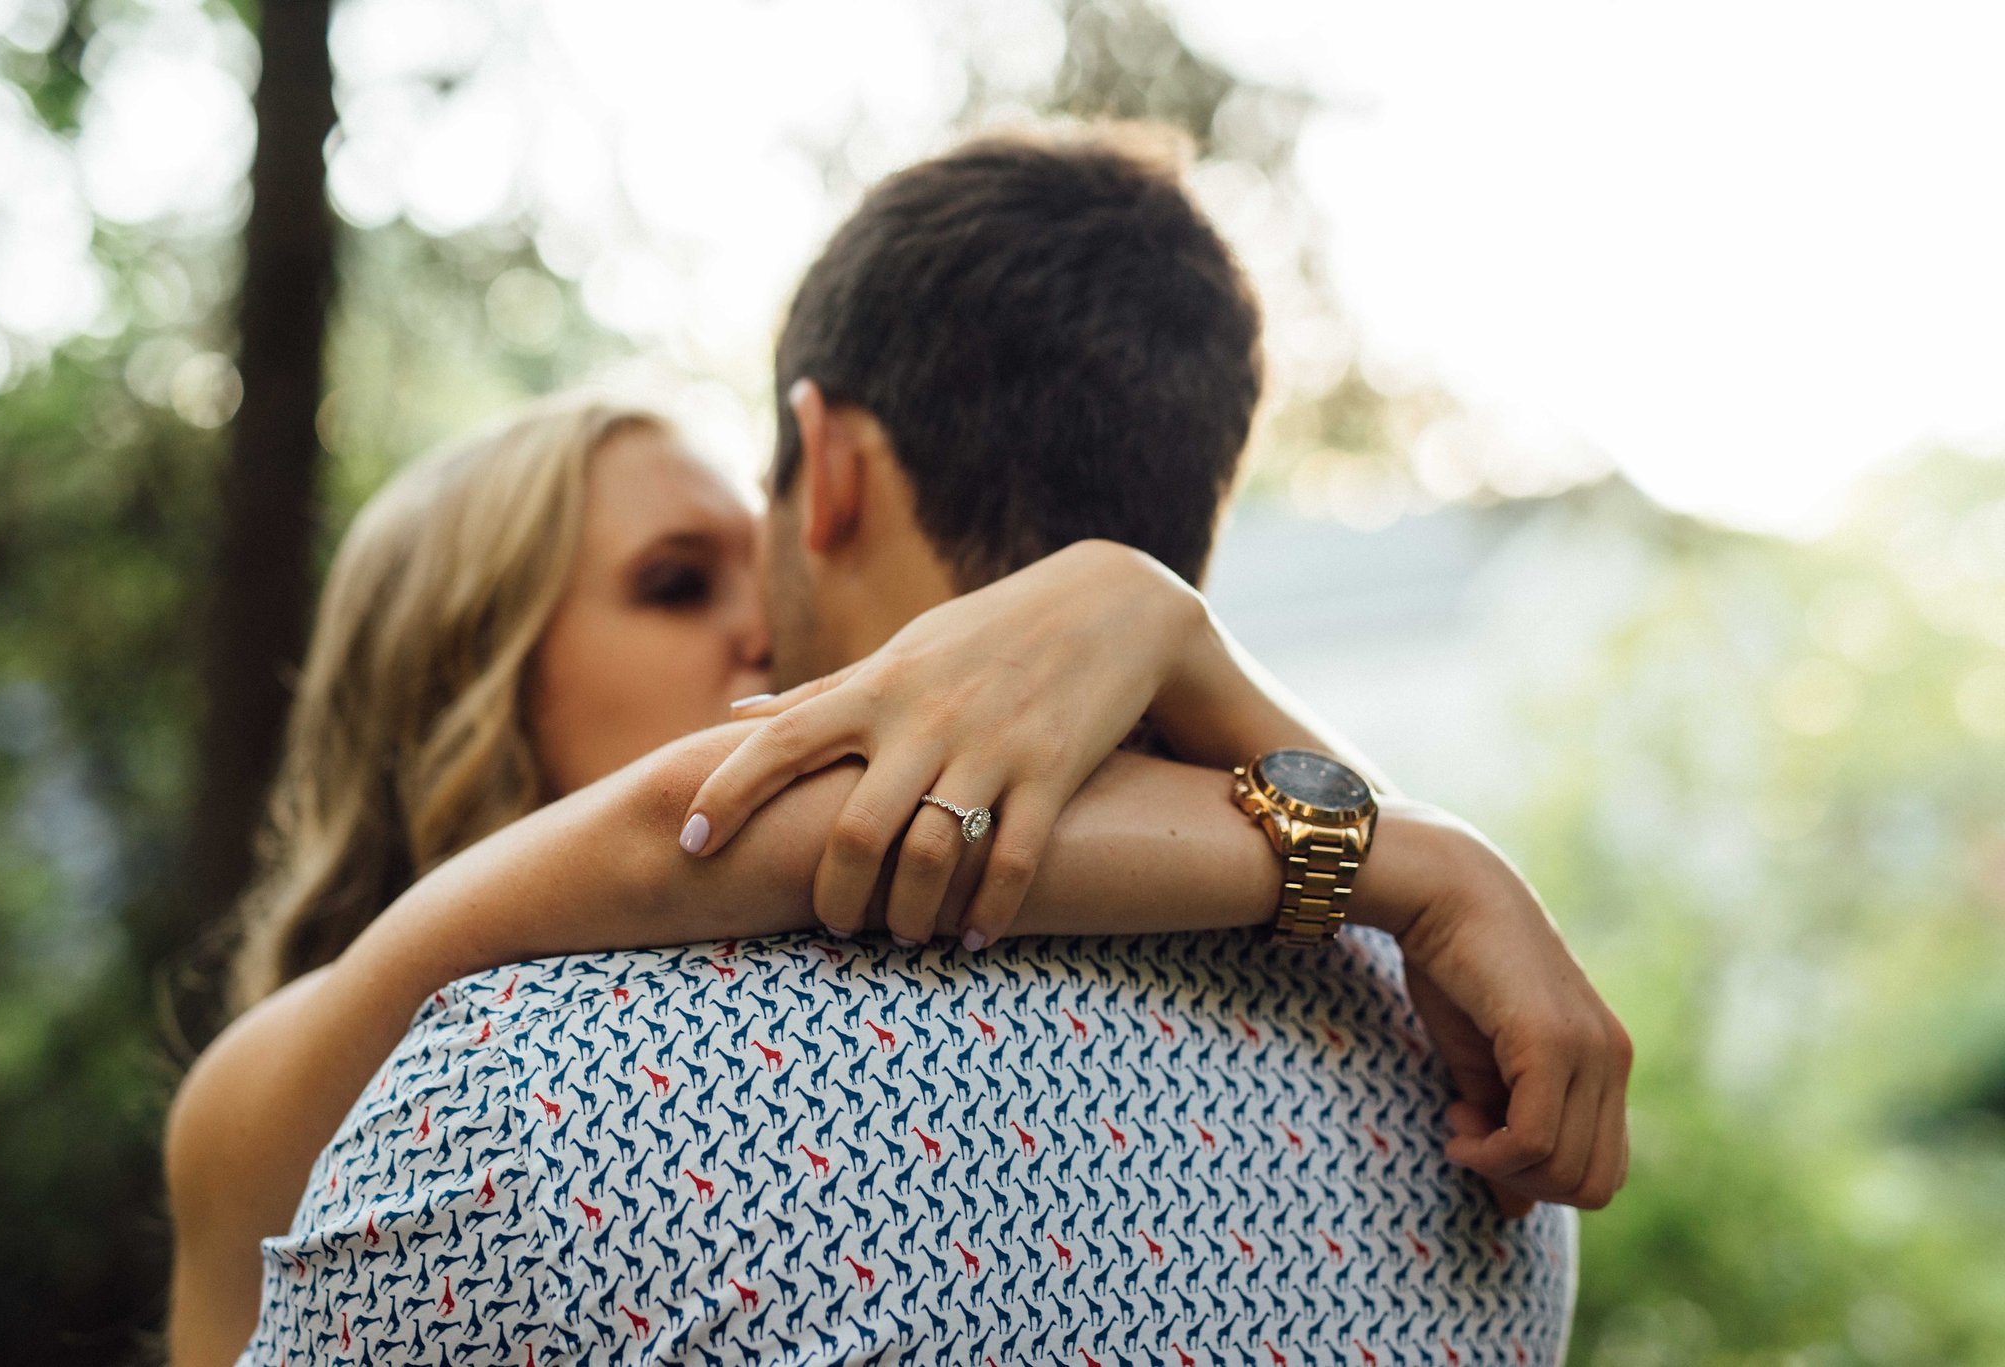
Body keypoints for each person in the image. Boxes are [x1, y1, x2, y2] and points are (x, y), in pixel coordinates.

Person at [166, 128, 1629, 1366]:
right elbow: (695, 833)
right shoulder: (326, 1080)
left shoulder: (550, 1091)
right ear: (464, 684)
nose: (757, 631)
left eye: (754, 553)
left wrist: (1183, 651)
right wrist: (1399, 847)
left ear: (832, 473)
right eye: (675, 583)